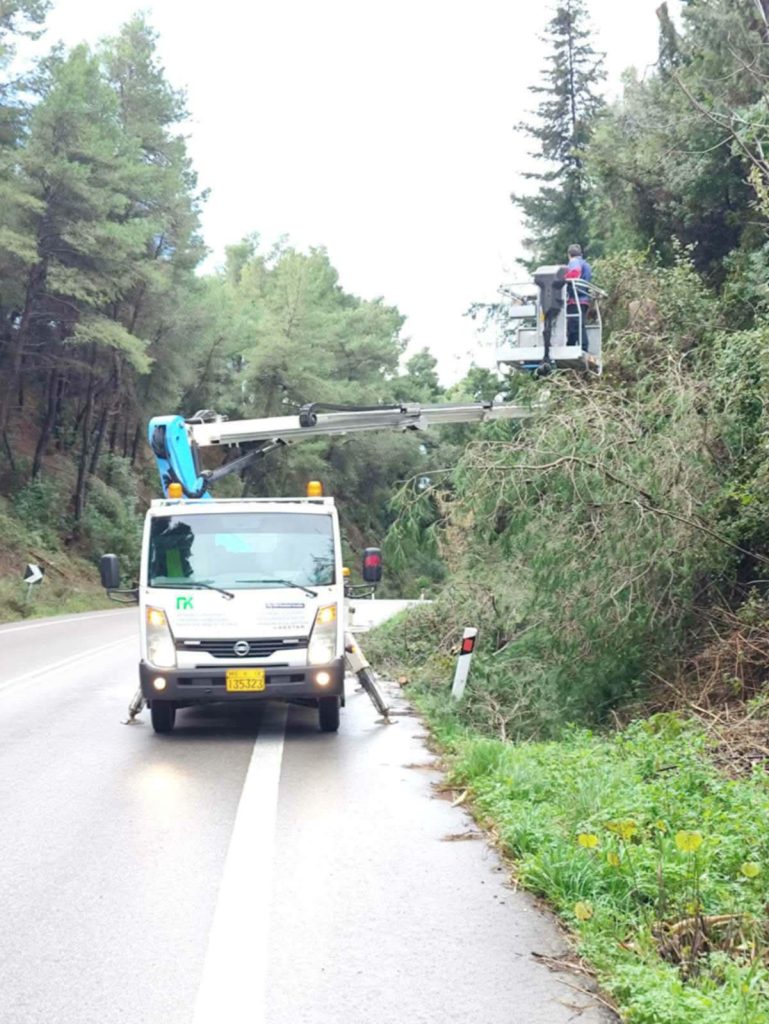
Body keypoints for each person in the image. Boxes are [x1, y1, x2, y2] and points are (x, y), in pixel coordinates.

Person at [564, 243, 592, 351]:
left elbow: (574, 272)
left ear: (569, 254)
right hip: (584, 299)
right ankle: (579, 346)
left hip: (575, 299)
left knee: (574, 325)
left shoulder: (574, 261)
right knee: (579, 324)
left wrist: (562, 279)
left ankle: (574, 347)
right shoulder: (586, 264)